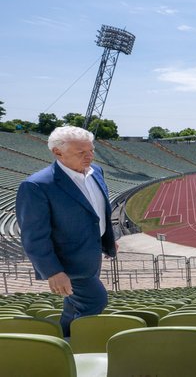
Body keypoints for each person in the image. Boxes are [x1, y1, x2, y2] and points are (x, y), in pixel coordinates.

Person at [16, 126, 117, 336]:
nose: (89, 156)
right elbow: (33, 236)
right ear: (57, 152)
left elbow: (98, 211)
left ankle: (62, 338)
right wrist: (53, 272)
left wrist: (107, 238)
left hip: (92, 254)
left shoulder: (96, 171)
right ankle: (76, 349)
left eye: (91, 150)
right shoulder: (36, 185)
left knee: (73, 307)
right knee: (95, 300)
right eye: (81, 152)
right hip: (68, 263)